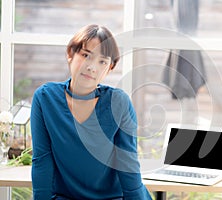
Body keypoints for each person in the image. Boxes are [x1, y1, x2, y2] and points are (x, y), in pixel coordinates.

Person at [30, 24, 152, 200]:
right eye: (86, 55)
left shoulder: (119, 103)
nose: (92, 67)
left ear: (110, 68)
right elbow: (42, 160)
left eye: (102, 61)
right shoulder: (45, 98)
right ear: (70, 54)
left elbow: (128, 167)